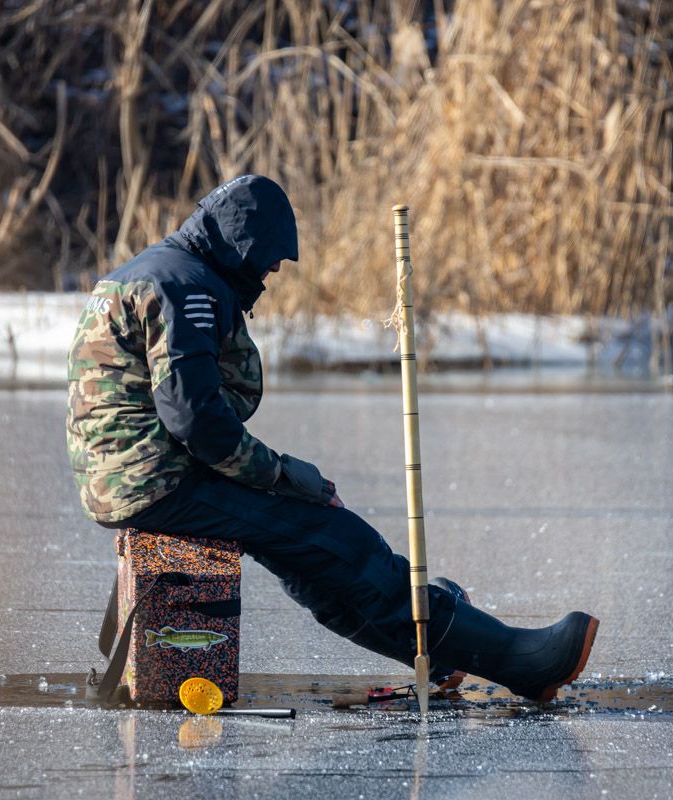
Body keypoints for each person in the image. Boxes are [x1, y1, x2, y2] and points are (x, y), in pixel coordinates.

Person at [66, 174, 599, 702]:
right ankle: (518, 660)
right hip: (161, 483)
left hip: (131, 478)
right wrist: (284, 474)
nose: (273, 269)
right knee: (335, 539)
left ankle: (439, 651)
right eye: (270, 255)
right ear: (238, 242)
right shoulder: (182, 288)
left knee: (310, 558)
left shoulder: (147, 272)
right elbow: (199, 424)